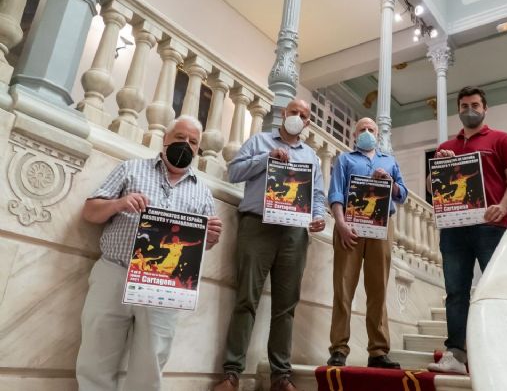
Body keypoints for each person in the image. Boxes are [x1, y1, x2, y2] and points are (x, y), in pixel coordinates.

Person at [76, 115, 223, 391]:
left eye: (193, 142)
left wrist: (210, 238)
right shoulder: (131, 169)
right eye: (180, 137)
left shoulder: (203, 193)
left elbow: (201, 246)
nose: (186, 145)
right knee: (96, 355)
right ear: (165, 139)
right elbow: (90, 211)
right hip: (114, 273)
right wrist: (119, 204)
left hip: (165, 285)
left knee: (151, 362)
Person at [213, 99, 326, 391]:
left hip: (294, 233)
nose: (297, 117)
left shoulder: (312, 157)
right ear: (283, 114)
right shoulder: (259, 141)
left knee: (286, 306)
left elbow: (317, 195)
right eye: (293, 112)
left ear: (307, 123)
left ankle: (281, 376)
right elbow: (234, 172)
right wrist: (267, 158)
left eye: (303, 115)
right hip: (257, 226)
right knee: (245, 299)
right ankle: (231, 373)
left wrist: (317, 217)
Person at [426, 86, 507, 374]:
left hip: (491, 226)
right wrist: (438, 171)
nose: (470, 110)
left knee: (496, 290)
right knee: (455, 292)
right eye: (465, 105)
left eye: (475, 105)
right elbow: (433, 189)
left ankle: (503, 350)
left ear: (485, 108)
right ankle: (456, 354)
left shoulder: (502, 139)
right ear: (459, 109)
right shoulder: (448, 147)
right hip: (454, 229)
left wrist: (503, 206)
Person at [326, 117, 408, 369]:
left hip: (381, 228)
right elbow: (336, 193)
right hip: (349, 227)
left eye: (371, 129)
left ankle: (378, 351)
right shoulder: (344, 160)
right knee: (343, 289)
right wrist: (340, 224)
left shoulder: (389, 161)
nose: (367, 133)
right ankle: (338, 349)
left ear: (377, 134)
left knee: (378, 291)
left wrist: (390, 183)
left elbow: (402, 195)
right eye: (362, 129)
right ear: (354, 134)